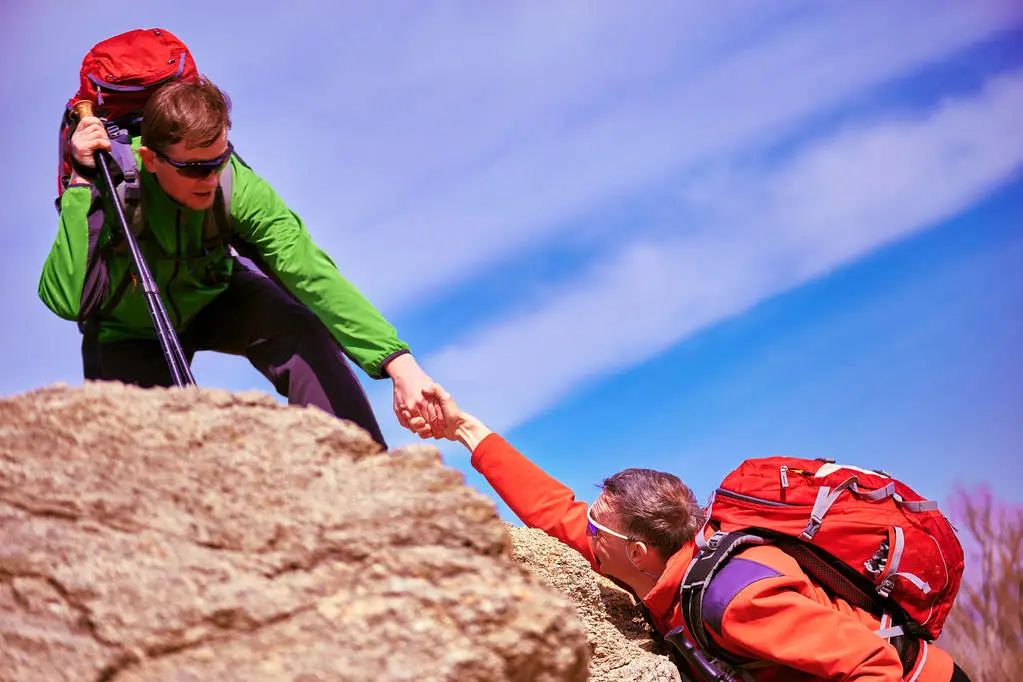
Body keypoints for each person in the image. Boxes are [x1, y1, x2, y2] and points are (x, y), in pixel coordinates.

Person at [415, 385, 971, 682]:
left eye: (595, 528)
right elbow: (552, 509)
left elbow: (869, 666)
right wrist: (465, 428)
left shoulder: (733, 599)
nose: (583, 532)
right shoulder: (659, 559)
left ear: (635, 550)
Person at [39, 78, 442, 446]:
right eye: (195, 168)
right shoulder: (110, 184)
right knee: (151, 459)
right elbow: (66, 298)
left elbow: (310, 271)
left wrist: (399, 365)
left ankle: (360, 480)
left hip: (216, 295)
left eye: (219, 160)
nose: (211, 179)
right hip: (130, 329)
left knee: (301, 329)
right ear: (153, 158)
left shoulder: (236, 185)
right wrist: (82, 183)